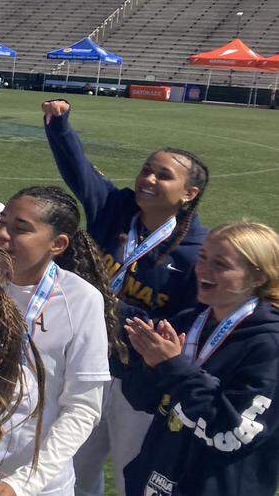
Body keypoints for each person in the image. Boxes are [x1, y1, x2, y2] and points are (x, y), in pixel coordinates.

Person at [41, 99, 211, 496]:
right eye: (146, 170)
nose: (148, 179)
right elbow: (79, 173)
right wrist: (60, 125)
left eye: (162, 176)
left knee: (132, 471)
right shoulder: (115, 209)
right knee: (73, 465)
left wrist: (116, 311)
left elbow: (187, 324)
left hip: (138, 380)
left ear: (189, 193)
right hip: (85, 364)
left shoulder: (196, 252)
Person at [118, 221, 279, 496]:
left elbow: (233, 435)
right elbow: (142, 400)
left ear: (258, 276)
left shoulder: (269, 345)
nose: (203, 269)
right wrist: (149, 364)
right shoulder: (190, 320)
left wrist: (173, 367)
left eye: (221, 264)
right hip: (157, 480)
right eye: (203, 258)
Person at [0, 186, 116, 496]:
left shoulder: (80, 300)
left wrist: (22, 483)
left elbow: (83, 409)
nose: (3, 234)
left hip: (37, 485)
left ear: (57, 244)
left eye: (21, 228)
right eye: (2, 221)